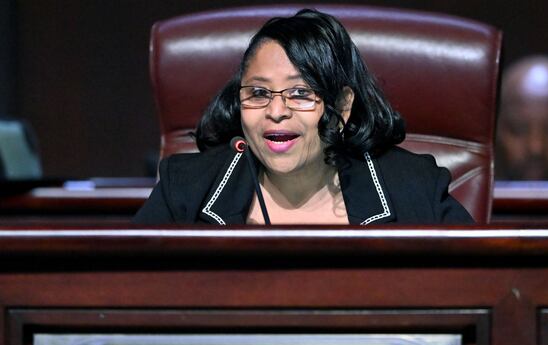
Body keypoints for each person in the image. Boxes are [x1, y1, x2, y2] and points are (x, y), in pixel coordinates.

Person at [133, 9, 473, 225]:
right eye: (259, 93)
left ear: (341, 106)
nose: (276, 112)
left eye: (300, 94)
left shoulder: (415, 188)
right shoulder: (185, 189)